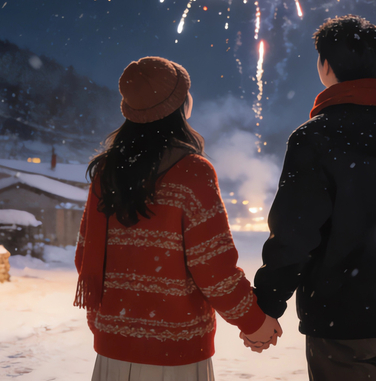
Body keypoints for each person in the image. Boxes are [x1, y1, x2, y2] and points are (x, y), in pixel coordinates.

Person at [250, 16, 376, 381]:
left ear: (325, 66)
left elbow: (294, 234)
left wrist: (267, 305)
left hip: (339, 320)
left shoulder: (313, 137)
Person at [75, 56, 282, 381]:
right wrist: (255, 322)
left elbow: (87, 257)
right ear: (179, 106)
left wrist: (109, 323)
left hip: (112, 349)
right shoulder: (192, 172)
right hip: (175, 353)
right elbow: (213, 266)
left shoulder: (107, 172)